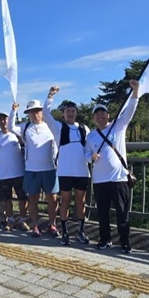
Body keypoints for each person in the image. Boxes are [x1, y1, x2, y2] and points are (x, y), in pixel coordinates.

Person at [86, 79, 140, 253]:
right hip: (100, 180)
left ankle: (125, 241)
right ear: (93, 118)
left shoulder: (118, 127)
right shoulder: (91, 136)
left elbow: (130, 110)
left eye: (103, 113)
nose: (100, 116)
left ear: (108, 115)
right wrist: (91, 157)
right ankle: (105, 239)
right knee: (102, 213)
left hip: (118, 178)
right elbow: (86, 155)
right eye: (97, 114)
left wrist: (135, 92)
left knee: (122, 212)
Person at [44, 87, 91, 245]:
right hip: (65, 171)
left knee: (81, 201)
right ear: (63, 113)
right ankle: (64, 231)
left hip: (82, 171)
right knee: (64, 200)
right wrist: (50, 96)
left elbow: (91, 148)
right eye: (67, 111)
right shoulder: (58, 127)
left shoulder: (84, 129)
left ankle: (81, 230)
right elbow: (45, 113)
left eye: (73, 110)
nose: (70, 113)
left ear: (76, 112)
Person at [9, 100, 58, 238]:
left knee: (52, 199)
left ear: (42, 112)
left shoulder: (50, 127)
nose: (35, 113)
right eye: (31, 111)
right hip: (31, 169)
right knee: (32, 199)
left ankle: (52, 224)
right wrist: (13, 111)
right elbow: (10, 126)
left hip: (50, 168)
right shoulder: (25, 127)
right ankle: (35, 225)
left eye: (37, 110)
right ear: (28, 113)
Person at [0, 112, 27, 231]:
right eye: (0, 120)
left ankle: (23, 220)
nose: (3, 122)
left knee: (22, 198)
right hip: (3, 173)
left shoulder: (17, 134)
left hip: (19, 172)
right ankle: (11, 220)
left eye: (5, 119)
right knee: (6, 199)